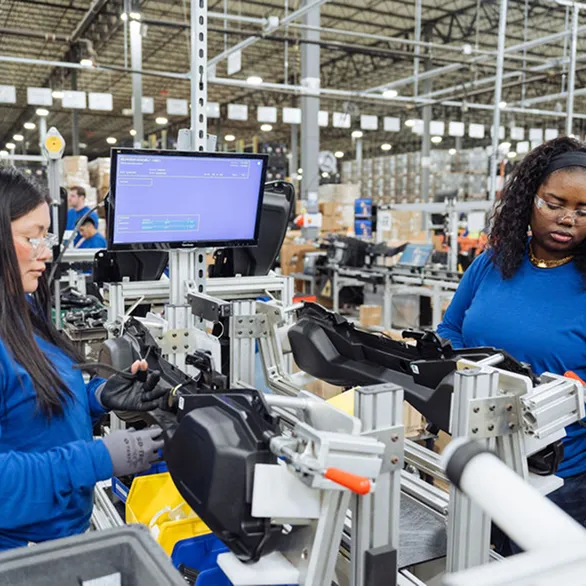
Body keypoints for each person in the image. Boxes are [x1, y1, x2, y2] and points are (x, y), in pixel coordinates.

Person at [0, 167, 167, 550]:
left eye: (47, 236)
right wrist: (98, 458)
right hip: (21, 554)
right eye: (31, 237)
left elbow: (29, 405)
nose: (45, 253)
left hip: (63, 535)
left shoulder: (23, 307)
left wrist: (99, 398)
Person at [438, 136, 586, 526]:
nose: (567, 218)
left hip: (561, 477)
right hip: (479, 453)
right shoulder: (492, 263)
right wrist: (462, 368)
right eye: (554, 204)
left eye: (584, 211)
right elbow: (451, 327)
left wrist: (565, 394)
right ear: (529, 199)